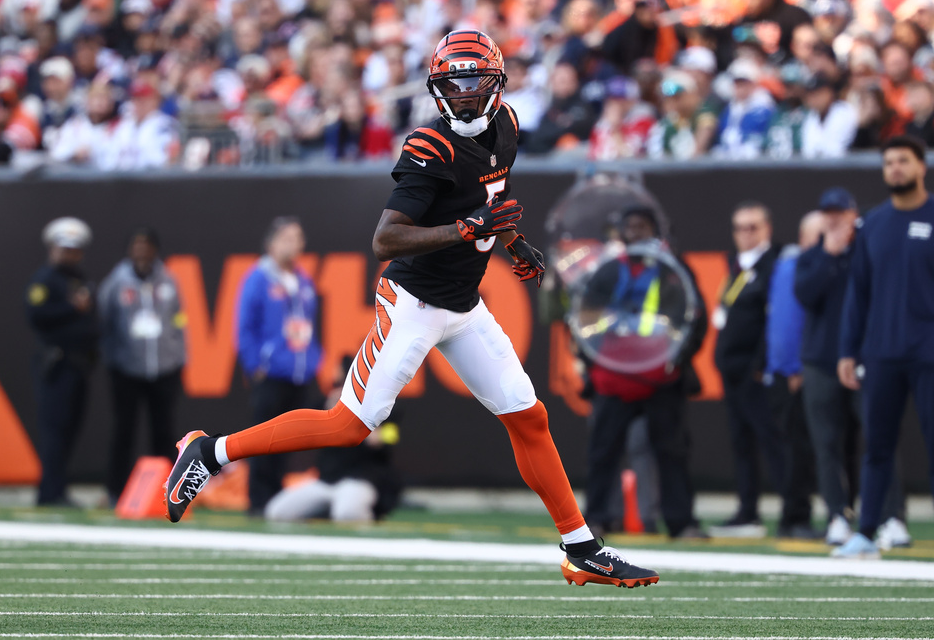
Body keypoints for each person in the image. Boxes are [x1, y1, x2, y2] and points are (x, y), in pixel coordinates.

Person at [163, 29, 659, 588]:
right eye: (456, 84)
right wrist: (466, 229)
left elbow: (490, 196)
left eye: (476, 82)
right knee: (349, 425)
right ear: (438, 88)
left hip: (464, 304)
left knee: (529, 416)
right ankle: (210, 451)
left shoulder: (507, 125)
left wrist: (512, 243)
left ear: (496, 85)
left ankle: (580, 546)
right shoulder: (430, 145)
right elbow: (386, 239)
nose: (467, 95)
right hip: (414, 302)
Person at [834, 134, 934, 558]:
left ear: (920, 167)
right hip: (881, 353)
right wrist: (847, 350)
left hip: (930, 353)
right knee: (877, 447)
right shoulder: (872, 223)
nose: (895, 168)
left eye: (903, 161)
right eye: (889, 161)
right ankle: (866, 534)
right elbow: (858, 293)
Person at [581, 205, 707, 539]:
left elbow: (695, 317)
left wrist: (676, 360)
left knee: (673, 451)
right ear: (621, 234)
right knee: (602, 451)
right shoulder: (607, 271)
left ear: (655, 231)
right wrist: (594, 360)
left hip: (661, 377)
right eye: (630, 227)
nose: (636, 233)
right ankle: (596, 519)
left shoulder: (672, 272)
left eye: (642, 227)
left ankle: (681, 522)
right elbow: (584, 320)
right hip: (613, 376)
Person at [795, 188, 911, 547]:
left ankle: (892, 517)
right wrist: (830, 255)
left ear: (853, 214)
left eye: (840, 212)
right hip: (821, 363)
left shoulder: (871, 250)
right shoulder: (812, 256)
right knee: (826, 443)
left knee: (879, 439)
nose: (834, 219)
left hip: (867, 359)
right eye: (827, 212)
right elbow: (805, 296)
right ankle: (837, 514)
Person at [235, 216, 324, 515]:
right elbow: (245, 327)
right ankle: (258, 499)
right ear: (271, 243)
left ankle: (276, 499)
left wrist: (313, 359)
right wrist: (254, 365)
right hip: (271, 372)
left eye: (298, 238)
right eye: (287, 237)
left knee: (286, 441)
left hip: (298, 373)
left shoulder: (303, 281)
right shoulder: (258, 278)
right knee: (263, 438)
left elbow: (310, 324)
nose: (294, 244)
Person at [711, 201, 788, 537]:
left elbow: (776, 319)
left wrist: (759, 364)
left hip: (757, 370)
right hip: (732, 369)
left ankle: (793, 510)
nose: (745, 234)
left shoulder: (776, 265)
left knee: (773, 440)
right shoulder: (737, 265)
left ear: (767, 228)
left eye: (752, 227)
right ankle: (748, 511)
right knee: (741, 442)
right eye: (740, 228)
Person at [98, 228, 187, 507]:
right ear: (129, 250)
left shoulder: (168, 281)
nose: (142, 252)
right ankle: (116, 491)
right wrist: (114, 359)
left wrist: (179, 356)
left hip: (164, 368)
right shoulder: (116, 283)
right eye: (136, 246)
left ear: (156, 250)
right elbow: (104, 323)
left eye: (146, 246)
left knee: (164, 433)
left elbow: (180, 321)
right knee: (124, 431)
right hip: (127, 369)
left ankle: (172, 493)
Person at [264, 358, 402, 523]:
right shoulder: (325, 403)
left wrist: (372, 432)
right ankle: (323, 515)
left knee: (347, 513)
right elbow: (301, 426)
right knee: (277, 512)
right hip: (325, 482)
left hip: (358, 481)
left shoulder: (375, 406)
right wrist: (328, 414)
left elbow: (391, 436)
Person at [25, 217, 98, 506]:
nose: (69, 254)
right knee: (54, 429)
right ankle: (49, 491)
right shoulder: (45, 280)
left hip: (79, 365)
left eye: (74, 249)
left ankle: (57, 488)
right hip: (56, 366)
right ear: (52, 248)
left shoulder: (79, 280)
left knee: (69, 429)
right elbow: (36, 316)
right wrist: (71, 308)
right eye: (64, 249)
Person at [765, 211, 825, 539]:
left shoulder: (794, 265)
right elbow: (787, 325)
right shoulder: (795, 266)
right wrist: (793, 367)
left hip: (790, 370)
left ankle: (797, 515)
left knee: (799, 447)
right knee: (798, 449)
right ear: (804, 238)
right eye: (817, 235)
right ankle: (795, 518)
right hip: (795, 374)